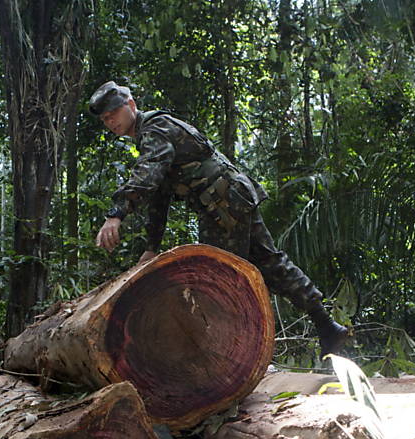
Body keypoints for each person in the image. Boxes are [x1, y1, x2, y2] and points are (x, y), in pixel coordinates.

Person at [90, 80, 349, 356]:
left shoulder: (154, 129)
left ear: (131, 105)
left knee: (220, 281)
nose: (110, 122)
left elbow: (148, 176)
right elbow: (159, 197)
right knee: (271, 263)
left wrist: (116, 214)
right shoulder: (153, 134)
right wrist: (151, 246)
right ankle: (326, 326)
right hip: (232, 198)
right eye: (105, 119)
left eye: (113, 114)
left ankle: (240, 353)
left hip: (222, 203)